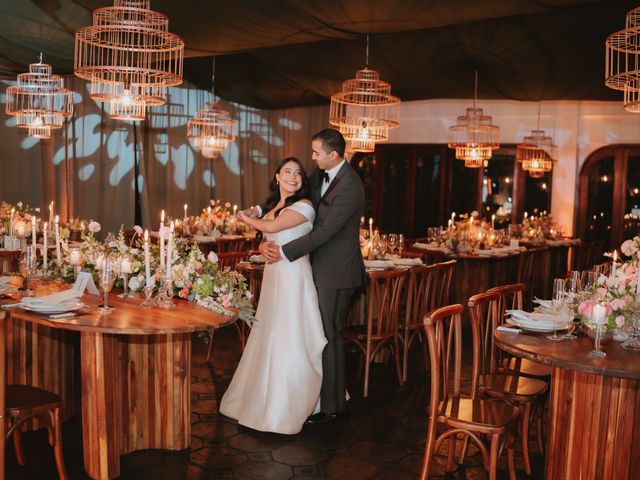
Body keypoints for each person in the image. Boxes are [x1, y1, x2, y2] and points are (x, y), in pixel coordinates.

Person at [259, 128, 366, 424]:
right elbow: (291, 206)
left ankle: (332, 406)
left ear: (334, 155)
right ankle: (318, 397)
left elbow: (325, 232)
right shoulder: (323, 175)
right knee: (318, 334)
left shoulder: (350, 186)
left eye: (317, 153)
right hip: (316, 268)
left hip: (336, 272)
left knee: (329, 335)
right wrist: (265, 239)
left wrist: (284, 251)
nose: (313, 158)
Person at [219, 157, 327, 435]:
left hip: (293, 277)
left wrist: (248, 219)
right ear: (277, 176)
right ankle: (259, 399)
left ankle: (288, 404)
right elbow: (267, 235)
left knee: (289, 334)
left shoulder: (305, 206)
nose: (293, 176)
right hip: (273, 275)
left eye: (299, 172)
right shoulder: (274, 206)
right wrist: (261, 245)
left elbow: (271, 228)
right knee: (268, 332)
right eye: (287, 171)